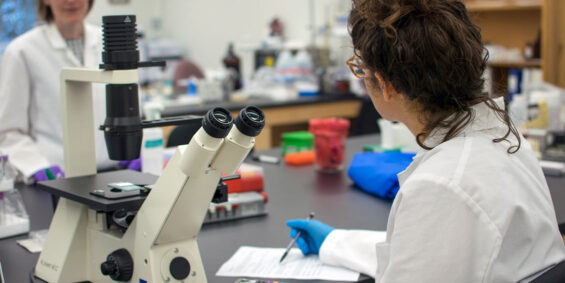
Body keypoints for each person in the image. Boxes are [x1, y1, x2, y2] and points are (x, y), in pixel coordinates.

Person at [286, 0, 565, 282]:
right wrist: (335, 243)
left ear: (385, 84)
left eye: (361, 67)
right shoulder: (505, 138)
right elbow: (431, 254)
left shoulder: (441, 184)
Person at [0, 0, 118, 183]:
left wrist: (138, 150)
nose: (71, 1)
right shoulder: (21, 51)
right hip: (54, 181)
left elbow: (129, 110)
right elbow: (8, 131)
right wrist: (34, 166)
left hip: (113, 174)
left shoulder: (110, 41)